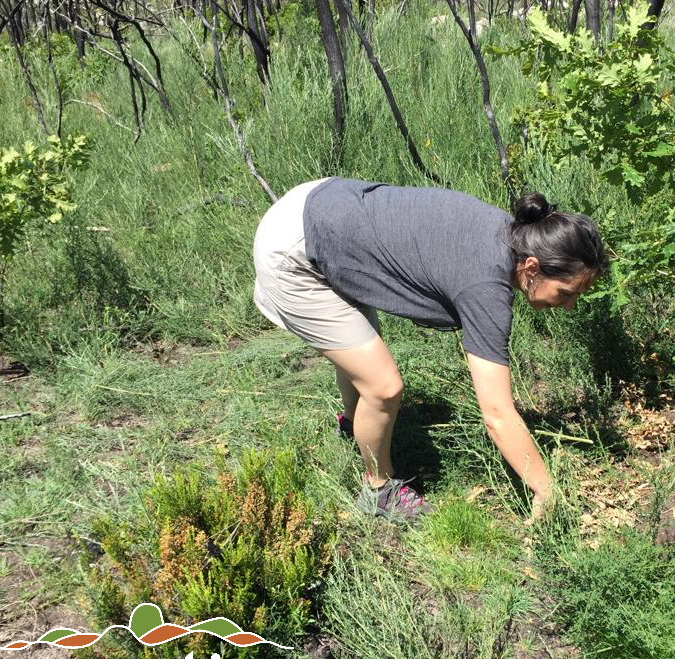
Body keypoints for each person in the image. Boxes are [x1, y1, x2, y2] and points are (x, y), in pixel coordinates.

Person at [252, 177, 608, 522]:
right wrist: (546, 488)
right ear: (532, 267)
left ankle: (352, 425)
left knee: (359, 352)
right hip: (294, 252)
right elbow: (497, 413)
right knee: (382, 386)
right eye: (566, 293)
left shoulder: (509, 234)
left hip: (324, 205)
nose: (570, 306)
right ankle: (379, 491)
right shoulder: (485, 284)